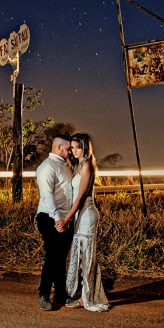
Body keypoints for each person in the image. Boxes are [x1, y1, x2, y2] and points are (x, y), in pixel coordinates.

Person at [58, 132, 110, 312]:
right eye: (72, 148)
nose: (74, 150)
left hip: (86, 214)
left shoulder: (87, 166)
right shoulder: (78, 166)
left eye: (77, 147)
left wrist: (67, 219)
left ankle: (87, 297)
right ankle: (76, 292)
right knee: (78, 254)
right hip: (79, 214)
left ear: (85, 147)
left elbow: (80, 197)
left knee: (87, 257)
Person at [34, 135, 74, 311]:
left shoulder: (64, 166)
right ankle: (43, 294)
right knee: (53, 255)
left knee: (60, 257)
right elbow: (46, 195)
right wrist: (58, 218)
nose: (70, 152)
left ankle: (60, 294)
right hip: (49, 217)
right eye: (67, 149)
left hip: (65, 218)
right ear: (58, 147)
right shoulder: (47, 167)